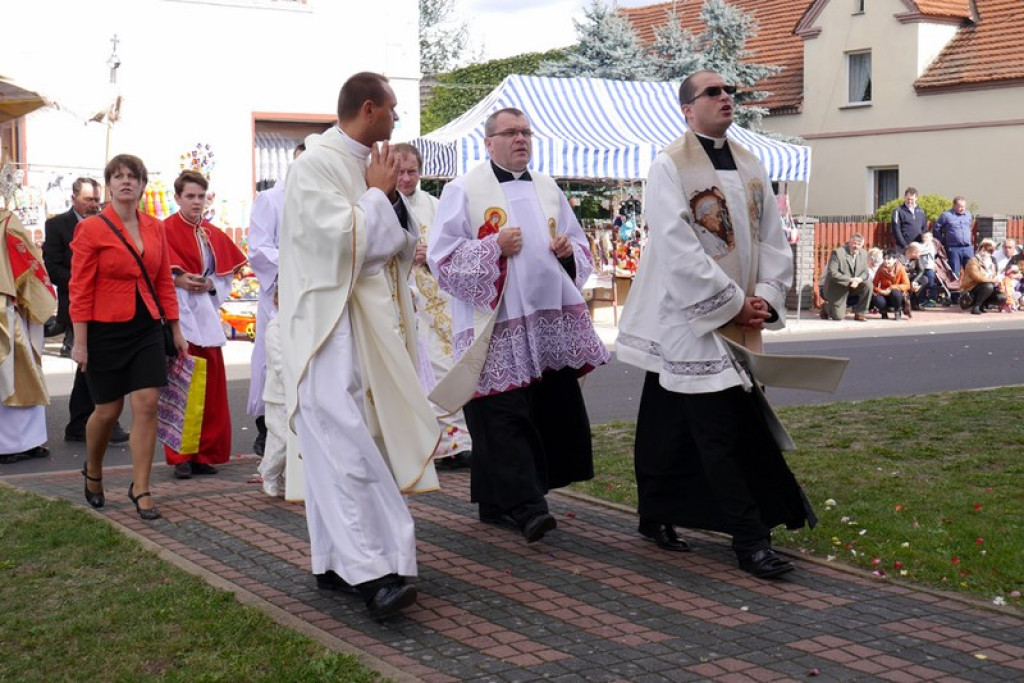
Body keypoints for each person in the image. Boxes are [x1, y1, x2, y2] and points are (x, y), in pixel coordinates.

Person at [615, 70, 815, 579]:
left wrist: (766, 298)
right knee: (718, 432)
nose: (726, 97)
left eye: (730, 92)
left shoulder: (752, 164)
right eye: (714, 93)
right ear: (688, 109)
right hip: (690, 317)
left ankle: (655, 512)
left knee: (671, 422)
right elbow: (677, 246)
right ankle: (751, 543)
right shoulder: (669, 166)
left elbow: (774, 239)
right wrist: (730, 304)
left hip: (741, 313)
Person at [279, 72, 439, 620]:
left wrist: (385, 195)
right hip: (323, 324)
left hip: (365, 323)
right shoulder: (313, 166)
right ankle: (376, 573)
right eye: (393, 110)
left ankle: (333, 563)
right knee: (343, 443)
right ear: (369, 109)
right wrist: (376, 193)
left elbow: (392, 245)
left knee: (344, 442)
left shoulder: (371, 166)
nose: (398, 121)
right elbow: (336, 241)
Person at [429, 106, 610, 544]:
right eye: (510, 133)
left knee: (538, 406)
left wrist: (568, 252)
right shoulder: (463, 189)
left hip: (545, 318)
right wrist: (492, 247)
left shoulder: (548, 187)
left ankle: (496, 501)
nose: (521, 139)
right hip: (494, 323)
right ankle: (529, 508)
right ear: (488, 143)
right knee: (502, 414)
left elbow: (581, 248)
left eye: (526, 132)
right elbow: (442, 258)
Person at [69, 154, 188, 520]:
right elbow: (80, 288)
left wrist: (175, 328)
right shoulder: (91, 229)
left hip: (146, 327)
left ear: (141, 185)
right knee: (107, 411)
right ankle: (93, 469)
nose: (125, 182)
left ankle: (142, 487)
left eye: (132, 176)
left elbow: (164, 281)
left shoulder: (155, 227)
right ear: (109, 184)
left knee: (147, 402)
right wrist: (81, 341)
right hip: (104, 329)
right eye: (118, 176)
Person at [162, 170, 246, 479]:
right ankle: (180, 455)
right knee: (181, 389)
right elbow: (156, 272)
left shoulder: (212, 233)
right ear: (178, 198)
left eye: (200, 196)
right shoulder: (164, 231)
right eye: (190, 196)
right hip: (180, 318)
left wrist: (210, 285)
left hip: (206, 318)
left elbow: (225, 277)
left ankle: (203, 454)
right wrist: (179, 279)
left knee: (209, 391)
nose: (196, 202)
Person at [393, 142, 472, 470]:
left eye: (412, 171)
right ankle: (420, 445)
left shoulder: (436, 206)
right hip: (402, 302)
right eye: (400, 171)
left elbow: (458, 247)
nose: (407, 178)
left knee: (444, 368)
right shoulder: (380, 204)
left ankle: (456, 445)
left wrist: (434, 255)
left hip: (438, 302)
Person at [42, 177, 129, 444]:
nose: (93, 204)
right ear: (74, 199)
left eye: (95, 199)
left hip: (106, 303)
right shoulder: (57, 225)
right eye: (87, 200)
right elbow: (54, 269)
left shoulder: (108, 224)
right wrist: (85, 280)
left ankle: (81, 422)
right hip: (78, 304)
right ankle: (101, 419)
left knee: (90, 364)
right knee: (96, 363)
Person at [246, 143, 304, 457]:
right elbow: (258, 248)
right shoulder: (270, 199)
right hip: (279, 294)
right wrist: (291, 267)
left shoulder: (315, 199)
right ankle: (265, 427)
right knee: (273, 360)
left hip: (310, 294)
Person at [0, 208, 54, 464]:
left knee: (18, 371)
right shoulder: (8, 220)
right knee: (18, 370)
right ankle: (14, 443)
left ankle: (28, 440)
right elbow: (29, 262)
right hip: (8, 307)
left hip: (8, 306)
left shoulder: (7, 220)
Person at [257, 291, 285, 496]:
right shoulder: (275, 327)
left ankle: (290, 477)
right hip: (279, 393)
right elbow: (278, 362)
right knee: (281, 439)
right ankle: (269, 472)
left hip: (299, 390)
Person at [820, 234, 871, 321]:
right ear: (850, 242)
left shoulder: (864, 253)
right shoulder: (837, 253)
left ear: (862, 245)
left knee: (868, 285)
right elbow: (833, 273)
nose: (856, 246)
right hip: (837, 287)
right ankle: (826, 307)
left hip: (854, 285)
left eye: (859, 244)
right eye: (854, 243)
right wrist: (850, 280)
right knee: (838, 317)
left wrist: (859, 280)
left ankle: (860, 313)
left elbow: (865, 273)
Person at [960, 238, 1005, 315]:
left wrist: (999, 282)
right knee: (988, 286)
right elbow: (977, 277)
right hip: (972, 288)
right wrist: (993, 280)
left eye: (988, 252)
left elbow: (995, 275)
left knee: (1002, 298)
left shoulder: (992, 262)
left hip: (987, 287)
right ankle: (976, 306)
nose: (985, 253)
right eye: (983, 250)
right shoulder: (973, 261)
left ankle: (983, 304)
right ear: (979, 250)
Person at [932, 196, 973, 277]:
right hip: (954, 248)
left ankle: (971, 289)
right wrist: (942, 241)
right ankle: (956, 289)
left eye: (964, 206)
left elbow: (970, 227)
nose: (962, 209)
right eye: (960, 206)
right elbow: (936, 228)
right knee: (955, 272)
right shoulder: (946, 215)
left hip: (968, 248)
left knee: (971, 270)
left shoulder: (968, 214)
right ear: (954, 206)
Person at [872, 249, 911, 320]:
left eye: (889, 259)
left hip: (897, 294)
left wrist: (892, 288)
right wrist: (880, 291)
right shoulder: (880, 269)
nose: (886, 261)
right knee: (877, 299)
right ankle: (883, 312)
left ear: (895, 260)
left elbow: (907, 285)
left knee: (895, 292)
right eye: (884, 259)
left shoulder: (900, 268)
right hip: (884, 293)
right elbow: (874, 285)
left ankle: (897, 311)